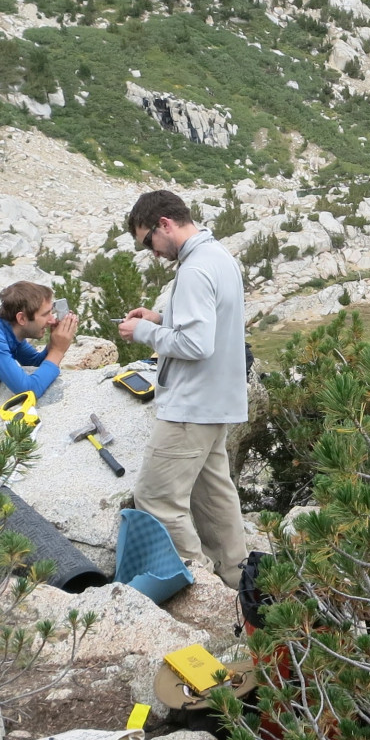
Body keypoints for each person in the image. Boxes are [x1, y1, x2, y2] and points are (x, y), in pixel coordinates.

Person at [118, 189, 248, 589]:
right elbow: (209, 321)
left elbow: (196, 344)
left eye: (148, 242)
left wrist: (143, 331)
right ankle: (238, 580)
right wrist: (162, 317)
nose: (153, 253)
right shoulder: (218, 256)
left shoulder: (193, 269)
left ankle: (201, 586)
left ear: (164, 224)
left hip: (190, 405)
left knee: (156, 498)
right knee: (213, 497)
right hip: (216, 401)